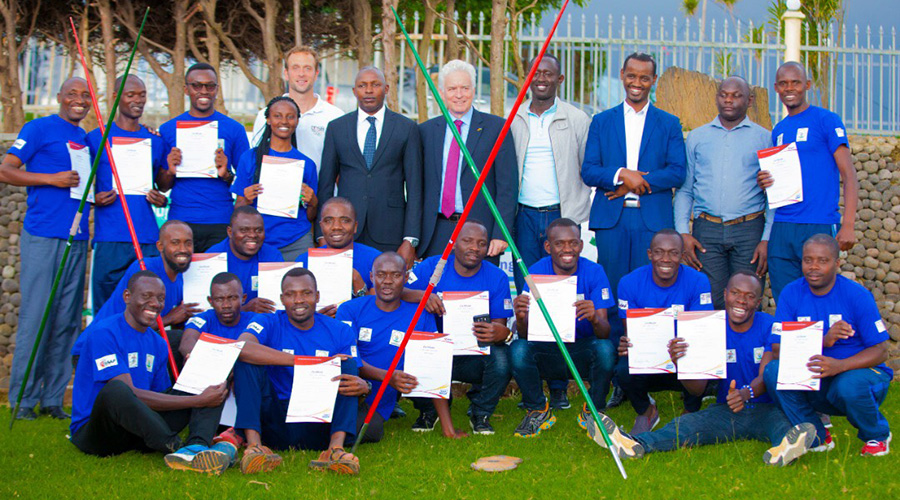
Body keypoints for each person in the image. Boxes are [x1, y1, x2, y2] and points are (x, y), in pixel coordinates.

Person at [592, 271, 817, 467]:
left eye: (749, 297)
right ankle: (633, 444)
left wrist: (745, 393)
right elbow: (698, 390)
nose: (741, 301)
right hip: (727, 409)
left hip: (767, 408)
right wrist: (681, 363)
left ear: (758, 302)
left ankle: (784, 450)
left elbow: (766, 374)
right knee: (686, 425)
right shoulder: (708, 326)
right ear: (725, 294)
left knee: (785, 426)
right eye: (736, 293)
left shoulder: (770, 325)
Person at [69, 270, 233, 474]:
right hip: (99, 434)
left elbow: (160, 398)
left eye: (161, 298)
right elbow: (130, 394)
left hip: (137, 431)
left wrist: (203, 393)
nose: (155, 303)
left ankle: (197, 448)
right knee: (117, 390)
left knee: (211, 381)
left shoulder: (158, 343)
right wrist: (198, 401)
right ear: (127, 297)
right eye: (146, 296)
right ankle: (175, 446)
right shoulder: (104, 333)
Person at [580, 52, 687, 346]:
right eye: (631, 76)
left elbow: (677, 172)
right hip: (612, 220)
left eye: (643, 77)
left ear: (653, 80)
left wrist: (638, 181)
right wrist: (622, 174)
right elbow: (589, 170)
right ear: (622, 75)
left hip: (651, 221)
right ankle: (616, 372)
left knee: (646, 293)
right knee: (613, 292)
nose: (636, 83)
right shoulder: (602, 121)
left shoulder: (668, 123)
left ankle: (646, 367)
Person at [2, 77, 92, 421]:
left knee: (67, 320)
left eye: (85, 95)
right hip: (43, 235)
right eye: (72, 93)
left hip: (78, 237)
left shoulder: (86, 139)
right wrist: (50, 178)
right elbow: (5, 170)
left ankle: (53, 398)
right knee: (36, 316)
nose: (79, 100)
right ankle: (23, 400)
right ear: (59, 96)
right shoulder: (39, 128)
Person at [511, 53, 592, 409]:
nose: (541, 78)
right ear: (527, 78)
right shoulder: (512, 118)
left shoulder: (576, 118)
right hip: (523, 217)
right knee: (531, 299)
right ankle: (533, 380)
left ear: (559, 79)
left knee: (561, 303)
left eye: (549, 73)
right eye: (535, 72)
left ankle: (559, 385)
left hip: (562, 218)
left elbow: (587, 169)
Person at [763, 234, 892, 456]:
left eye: (822, 261)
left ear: (837, 263)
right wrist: (823, 341)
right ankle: (817, 435)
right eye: (808, 260)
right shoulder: (791, 293)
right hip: (817, 377)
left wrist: (839, 365)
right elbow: (776, 349)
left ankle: (877, 435)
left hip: (858, 375)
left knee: (848, 385)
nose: (814, 267)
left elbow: (881, 351)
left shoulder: (857, 295)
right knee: (773, 371)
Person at [232, 267, 369, 474]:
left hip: (318, 419)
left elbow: (354, 377)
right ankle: (255, 447)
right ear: (282, 298)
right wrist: (304, 361)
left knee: (348, 365)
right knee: (246, 360)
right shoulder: (268, 321)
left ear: (317, 296)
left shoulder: (340, 330)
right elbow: (241, 347)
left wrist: (363, 385)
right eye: (290, 294)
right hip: (275, 418)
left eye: (306, 293)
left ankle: (335, 450)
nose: (298, 300)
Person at [758, 62, 859, 302]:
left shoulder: (826, 120)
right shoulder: (779, 130)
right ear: (776, 88)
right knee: (788, 298)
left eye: (796, 82)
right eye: (783, 83)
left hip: (818, 222)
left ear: (807, 85)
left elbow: (849, 174)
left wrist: (849, 224)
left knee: (820, 296)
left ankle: (825, 340)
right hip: (783, 225)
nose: (789, 88)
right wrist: (765, 179)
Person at [403, 221, 513, 435]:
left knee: (502, 358)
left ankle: (480, 412)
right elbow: (399, 292)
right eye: (467, 241)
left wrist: (498, 333)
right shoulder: (432, 267)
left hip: (474, 352)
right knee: (408, 351)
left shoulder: (497, 277)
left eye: (481, 243)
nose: (474, 248)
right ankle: (428, 410)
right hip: (435, 350)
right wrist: (422, 296)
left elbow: (500, 327)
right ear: (453, 244)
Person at [510, 218, 616, 438]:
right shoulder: (536, 271)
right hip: (548, 350)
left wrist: (595, 318)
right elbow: (523, 333)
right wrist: (521, 316)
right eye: (559, 244)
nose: (567, 249)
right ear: (548, 247)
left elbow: (605, 333)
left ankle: (593, 410)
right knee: (519, 348)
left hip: (581, 350)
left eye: (573, 243)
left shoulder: (594, 272)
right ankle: (538, 410)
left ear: (581, 245)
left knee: (605, 349)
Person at [674, 76, 772, 309]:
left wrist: (767, 238)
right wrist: (682, 234)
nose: (728, 100)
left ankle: (748, 347)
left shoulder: (765, 138)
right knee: (710, 300)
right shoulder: (697, 137)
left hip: (749, 229)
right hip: (707, 230)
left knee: (747, 300)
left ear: (749, 101)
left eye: (736, 95)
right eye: (723, 94)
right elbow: (686, 190)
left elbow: (773, 194)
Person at [337, 253, 450, 442]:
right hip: (349, 391)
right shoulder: (349, 309)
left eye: (396, 275)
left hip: (380, 399)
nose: (387, 281)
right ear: (372, 277)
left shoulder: (421, 314)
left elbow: (434, 366)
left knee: (370, 432)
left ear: (405, 278)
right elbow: (348, 360)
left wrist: (448, 429)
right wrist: (388, 377)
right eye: (381, 275)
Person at [318, 66, 422, 265]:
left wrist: (410, 239)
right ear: (354, 91)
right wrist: (320, 233)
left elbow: (415, 187)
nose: (368, 90)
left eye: (375, 85)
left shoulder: (406, 128)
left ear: (387, 88)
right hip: (344, 231)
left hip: (390, 230)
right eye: (362, 85)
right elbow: (326, 185)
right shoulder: (337, 128)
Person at [419, 59, 518, 263]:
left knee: (476, 293)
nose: (458, 94)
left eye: (465, 88)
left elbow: (507, 187)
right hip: (436, 230)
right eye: (452, 88)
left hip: (479, 233)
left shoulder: (496, 129)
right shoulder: (425, 131)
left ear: (473, 90)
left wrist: (501, 233)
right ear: (442, 92)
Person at [615, 229, 713, 434]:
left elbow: (700, 331)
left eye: (673, 253)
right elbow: (630, 331)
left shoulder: (698, 281)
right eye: (659, 252)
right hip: (649, 356)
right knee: (623, 368)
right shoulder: (628, 282)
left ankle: (691, 409)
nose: (666, 259)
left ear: (682, 255)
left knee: (698, 356)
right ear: (650, 254)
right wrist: (629, 343)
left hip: (682, 353)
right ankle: (646, 410)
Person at [87, 74, 167, 313]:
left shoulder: (154, 140)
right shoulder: (95, 138)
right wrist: (93, 198)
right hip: (110, 237)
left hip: (146, 237)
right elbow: (81, 184)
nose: (138, 101)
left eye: (142, 95)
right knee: (106, 311)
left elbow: (162, 185)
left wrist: (160, 197)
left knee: (148, 310)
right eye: (131, 95)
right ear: (116, 97)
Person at [71, 220, 200, 359]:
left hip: (129, 346)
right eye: (175, 243)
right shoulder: (144, 270)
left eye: (188, 243)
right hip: (97, 350)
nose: (183, 249)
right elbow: (131, 326)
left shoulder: (180, 278)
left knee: (184, 340)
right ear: (160, 246)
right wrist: (170, 318)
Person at [158, 62, 250, 252]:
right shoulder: (168, 129)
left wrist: (226, 175)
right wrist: (170, 170)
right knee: (181, 278)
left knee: (218, 280)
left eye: (210, 86)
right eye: (197, 85)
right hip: (181, 218)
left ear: (217, 89)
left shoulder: (234, 129)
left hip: (220, 219)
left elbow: (246, 182)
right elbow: (162, 185)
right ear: (186, 89)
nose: (204, 91)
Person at [233, 96, 318, 261]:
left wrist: (313, 201)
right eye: (278, 116)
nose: (284, 121)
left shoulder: (307, 164)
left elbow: (310, 215)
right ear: (268, 120)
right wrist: (246, 199)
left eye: (290, 116)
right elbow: (238, 210)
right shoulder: (250, 158)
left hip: (296, 240)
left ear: (297, 121)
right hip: (258, 242)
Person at [250, 46, 343, 172]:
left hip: (319, 192)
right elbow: (255, 161)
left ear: (316, 74)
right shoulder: (265, 116)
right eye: (295, 68)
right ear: (286, 74)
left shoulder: (335, 117)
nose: (301, 74)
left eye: (307, 68)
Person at [295, 197, 382, 316]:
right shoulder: (304, 261)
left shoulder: (376, 259)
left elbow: (380, 311)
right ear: (321, 226)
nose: (336, 226)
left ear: (355, 226)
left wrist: (360, 287)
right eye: (328, 221)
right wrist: (314, 317)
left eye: (345, 220)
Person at [207, 206, 284, 313]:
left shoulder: (273, 256)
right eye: (244, 230)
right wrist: (245, 310)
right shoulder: (212, 257)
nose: (252, 235)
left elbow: (277, 305)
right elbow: (206, 310)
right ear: (230, 232)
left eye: (258, 230)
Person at [179, 272, 257, 359]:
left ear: (243, 298)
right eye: (219, 299)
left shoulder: (256, 320)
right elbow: (186, 343)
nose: (226, 305)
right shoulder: (202, 319)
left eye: (232, 298)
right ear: (210, 301)